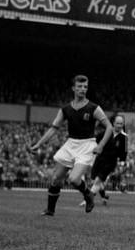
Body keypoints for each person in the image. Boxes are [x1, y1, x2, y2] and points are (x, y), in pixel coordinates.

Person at [29, 75, 113, 215]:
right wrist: (39, 144)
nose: (82, 89)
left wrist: (101, 145)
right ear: (73, 88)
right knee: (56, 179)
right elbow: (54, 128)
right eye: (79, 86)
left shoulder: (94, 108)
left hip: (87, 145)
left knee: (73, 179)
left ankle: (88, 195)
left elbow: (109, 127)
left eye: (85, 87)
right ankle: (50, 210)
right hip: (71, 144)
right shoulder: (65, 109)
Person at [83, 113, 128, 206]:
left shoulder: (124, 138)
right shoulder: (105, 133)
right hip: (99, 159)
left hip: (110, 163)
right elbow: (95, 141)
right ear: (113, 123)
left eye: (121, 123)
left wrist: (122, 164)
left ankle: (88, 200)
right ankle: (104, 196)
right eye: (117, 123)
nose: (119, 125)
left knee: (97, 181)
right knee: (95, 181)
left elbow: (124, 154)